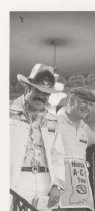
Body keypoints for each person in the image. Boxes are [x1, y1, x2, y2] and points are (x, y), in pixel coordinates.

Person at [10, 64, 65, 210]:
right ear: (27, 88)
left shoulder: (52, 120)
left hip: (45, 181)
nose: (42, 96)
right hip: (17, 179)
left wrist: (57, 186)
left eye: (47, 93)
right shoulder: (8, 114)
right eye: (38, 90)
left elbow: (57, 156)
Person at [56, 87, 95, 211]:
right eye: (83, 102)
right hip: (58, 186)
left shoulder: (85, 128)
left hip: (80, 189)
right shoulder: (55, 122)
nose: (87, 107)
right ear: (71, 102)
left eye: (90, 104)